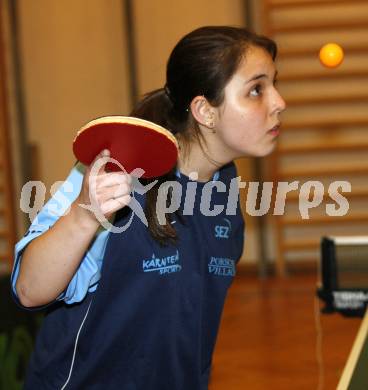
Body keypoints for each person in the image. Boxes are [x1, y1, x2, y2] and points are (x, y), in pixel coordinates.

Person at [11, 25, 286, 389]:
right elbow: (30, 289)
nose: (279, 102)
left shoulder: (224, 187)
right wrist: (82, 217)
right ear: (205, 111)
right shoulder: (113, 169)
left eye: (273, 84)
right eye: (256, 90)